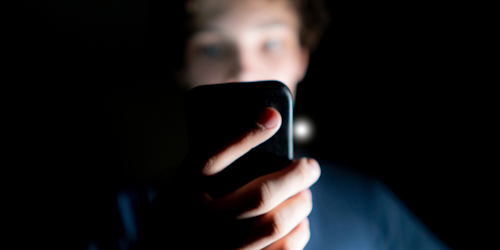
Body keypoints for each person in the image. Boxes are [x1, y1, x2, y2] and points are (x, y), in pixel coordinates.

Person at [86, 0, 452, 249]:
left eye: (271, 42)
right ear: (183, 69)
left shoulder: (368, 202)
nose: (244, 70)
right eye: (212, 47)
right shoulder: (118, 221)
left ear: (302, 58)